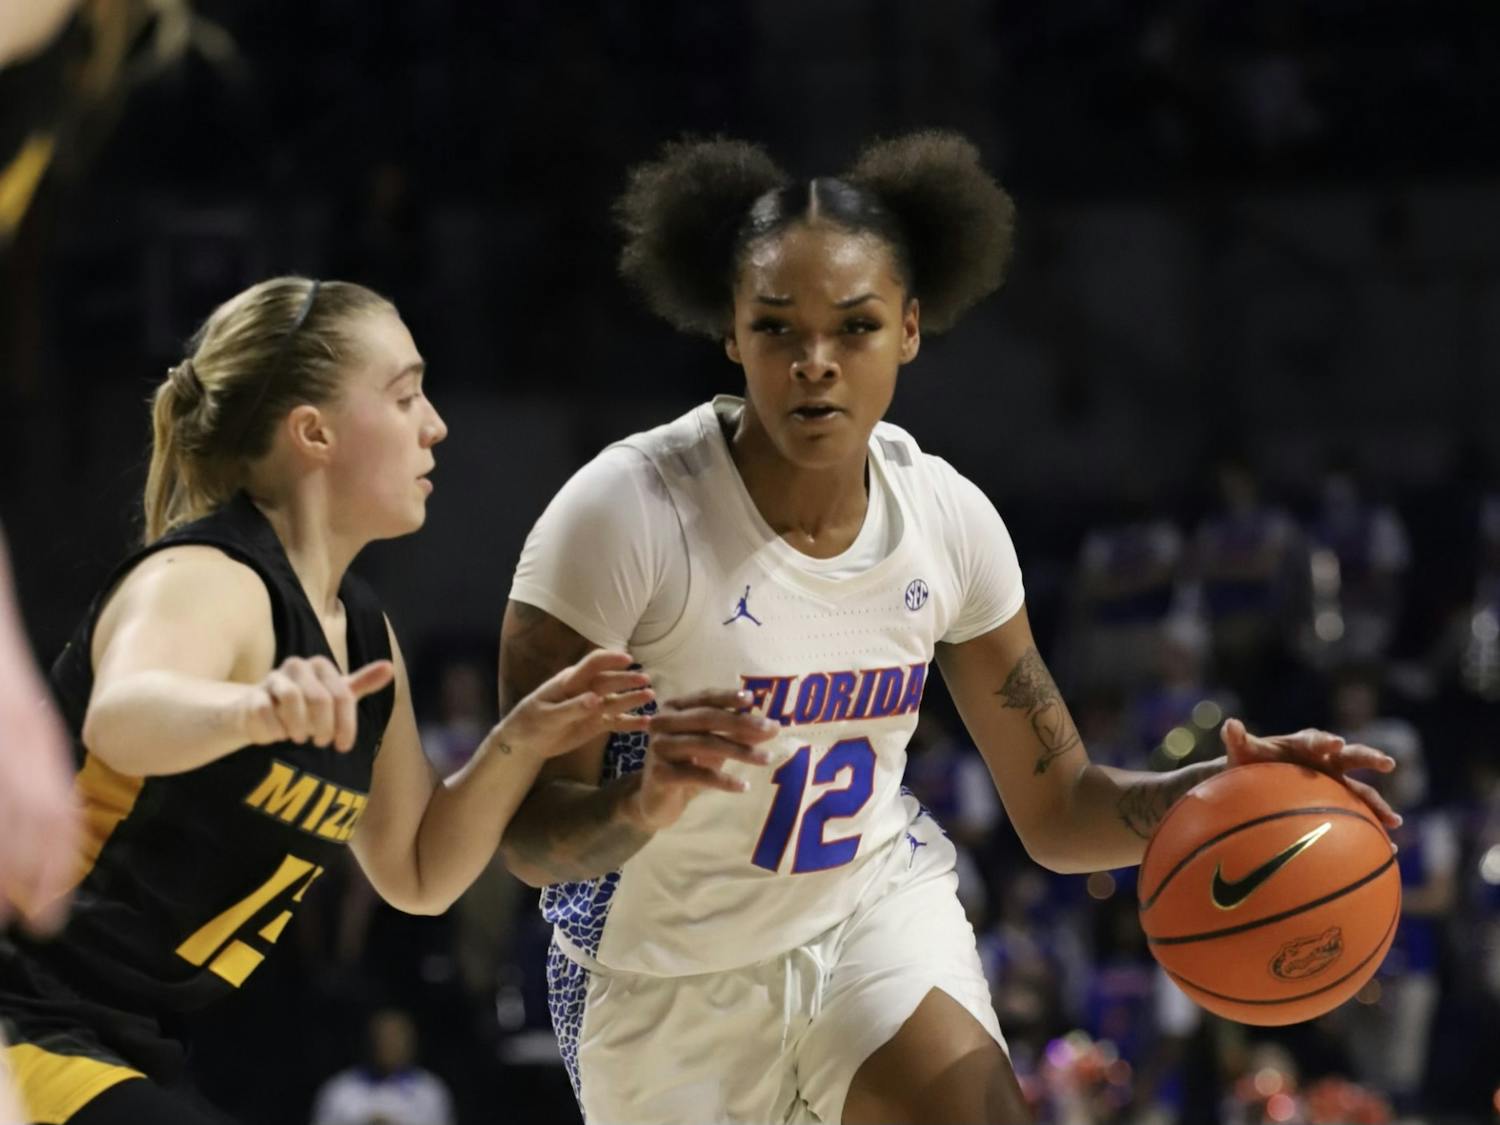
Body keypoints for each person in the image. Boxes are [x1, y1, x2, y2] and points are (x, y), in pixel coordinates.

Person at [495, 133, 1402, 1125]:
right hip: (656, 971)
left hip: (866, 920)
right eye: (776, 328)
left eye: (855, 327)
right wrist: (638, 802)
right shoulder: (622, 517)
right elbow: (531, 839)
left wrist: (1215, 795)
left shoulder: (946, 519)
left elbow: (1059, 810)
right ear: (729, 331)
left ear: (912, 329)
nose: (815, 364)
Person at [0, 276, 653, 1125]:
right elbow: (121, 716)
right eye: (406, 394)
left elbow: (417, 872)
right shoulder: (210, 577)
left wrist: (521, 739)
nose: (436, 424)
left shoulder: (364, 633)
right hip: (30, 1022)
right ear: (315, 432)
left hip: (126, 1047)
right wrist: (250, 709)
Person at [309, 1008, 453, 1125]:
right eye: (382, 1038)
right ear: (370, 1041)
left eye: (396, 1038)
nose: (389, 1045)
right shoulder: (340, 1091)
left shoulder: (430, 1091)